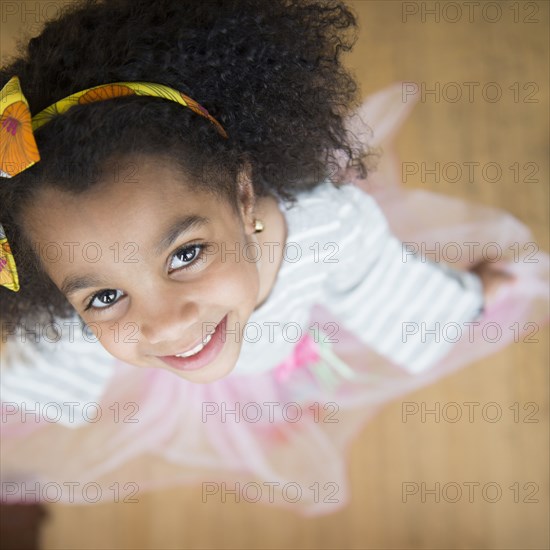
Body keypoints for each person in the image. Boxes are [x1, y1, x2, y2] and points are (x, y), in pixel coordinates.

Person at [0, 0, 547, 516]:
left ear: (242, 194)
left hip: (283, 350)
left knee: (290, 396)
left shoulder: (328, 228)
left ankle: (283, 408)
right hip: (187, 371)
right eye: (106, 296)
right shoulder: (68, 318)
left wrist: (466, 303)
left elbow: (385, 283)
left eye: (186, 253)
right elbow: (46, 365)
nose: (167, 324)